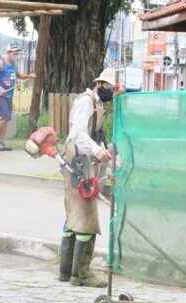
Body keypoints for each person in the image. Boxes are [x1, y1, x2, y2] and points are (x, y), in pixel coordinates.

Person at [57, 68, 122, 288]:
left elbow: (97, 136)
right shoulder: (86, 102)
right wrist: (96, 151)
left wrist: (105, 154)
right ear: (100, 84)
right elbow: (78, 134)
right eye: (110, 88)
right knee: (86, 217)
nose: (111, 92)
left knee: (74, 215)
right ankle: (81, 275)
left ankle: (66, 271)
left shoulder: (97, 104)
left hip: (82, 161)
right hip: (78, 162)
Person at [0, 44, 36, 151]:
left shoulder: (14, 65)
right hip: (0, 96)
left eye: (17, 53)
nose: (16, 55)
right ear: (8, 53)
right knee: (4, 117)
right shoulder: (0, 64)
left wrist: (29, 76)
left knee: (7, 118)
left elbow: (19, 75)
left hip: (9, 96)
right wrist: (0, 88)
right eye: (14, 53)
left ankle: (1, 141)